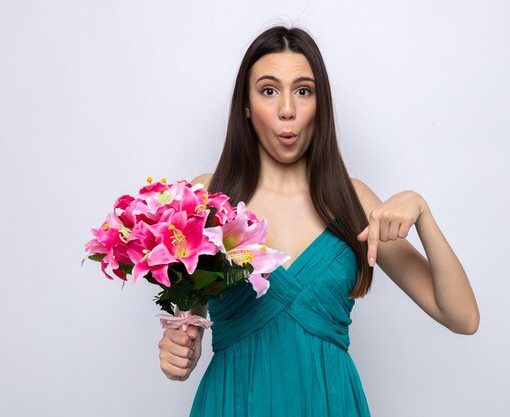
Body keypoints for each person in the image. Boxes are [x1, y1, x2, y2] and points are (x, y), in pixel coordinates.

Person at [158, 26, 479, 416]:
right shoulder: (207, 198)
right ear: (246, 105)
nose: (287, 109)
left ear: (319, 104)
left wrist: (422, 212)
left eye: (303, 91)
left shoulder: (354, 200)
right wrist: (178, 351)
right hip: (234, 402)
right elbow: (185, 326)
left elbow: (463, 317)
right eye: (269, 90)